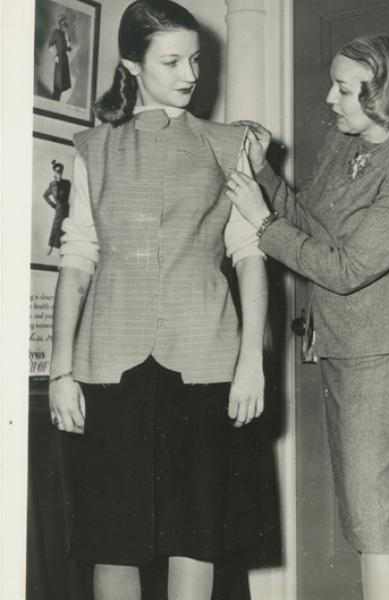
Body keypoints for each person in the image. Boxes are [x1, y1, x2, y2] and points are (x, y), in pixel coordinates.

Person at [48, 1, 267, 599]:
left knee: (195, 537)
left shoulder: (230, 144)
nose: (189, 74)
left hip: (205, 358)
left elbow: (250, 253)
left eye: (195, 59)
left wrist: (252, 362)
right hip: (107, 362)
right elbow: (77, 260)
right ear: (131, 64)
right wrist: (60, 370)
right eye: (171, 61)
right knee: (112, 537)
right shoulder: (93, 148)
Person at [226, 35, 389, 600]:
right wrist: (263, 174)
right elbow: (313, 226)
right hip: (342, 340)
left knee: (378, 515)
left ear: (383, 94)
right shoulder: (345, 145)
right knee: (364, 507)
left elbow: (346, 268)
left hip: (383, 344)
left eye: (344, 89)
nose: (329, 97)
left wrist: (261, 224)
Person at [42, 159, 71, 255]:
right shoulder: (52, 184)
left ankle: (61, 248)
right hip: (58, 208)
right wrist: (53, 205)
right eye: (57, 171)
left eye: (60, 171)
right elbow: (45, 195)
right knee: (55, 226)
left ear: (62, 172)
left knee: (64, 227)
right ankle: (50, 246)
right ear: (54, 171)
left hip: (67, 208)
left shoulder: (67, 183)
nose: (59, 172)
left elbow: (73, 195)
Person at [49, 14, 71, 100]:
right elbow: (50, 45)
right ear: (59, 23)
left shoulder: (66, 34)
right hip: (59, 59)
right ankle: (53, 102)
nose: (63, 24)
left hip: (65, 59)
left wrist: (67, 38)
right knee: (57, 85)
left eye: (64, 23)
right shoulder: (56, 32)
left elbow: (69, 49)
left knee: (63, 85)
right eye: (61, 22)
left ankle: (57, 102)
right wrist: (55, 56)